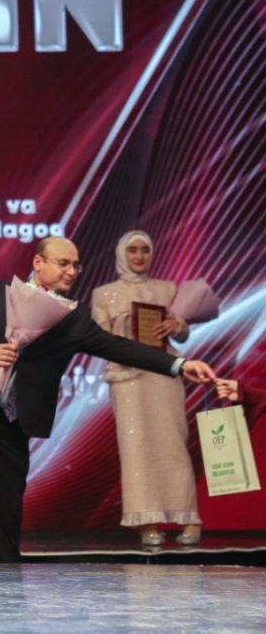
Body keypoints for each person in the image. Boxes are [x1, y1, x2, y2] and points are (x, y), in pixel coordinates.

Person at [0, 238, 217, 564]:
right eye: (63, 263)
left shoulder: (73, 318)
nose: (71, 271)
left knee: (7, 505)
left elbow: (119, 347)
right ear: (38, 263)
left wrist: (179, 365)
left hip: (14, 421)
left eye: (75, 265)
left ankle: (6, 580)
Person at [92, 231, 202, 546]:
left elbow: (182, 337)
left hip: (164, 375)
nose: (139, 256)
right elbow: (98, 339)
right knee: (136, 449)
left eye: (145, 250)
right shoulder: (104, 294)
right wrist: (124, 328)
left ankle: (188, 517)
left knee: (173, 445)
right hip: (127, 379)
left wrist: (176, 325)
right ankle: (146, 521)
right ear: (121, 254)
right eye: (133, 250)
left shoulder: (168, 289)